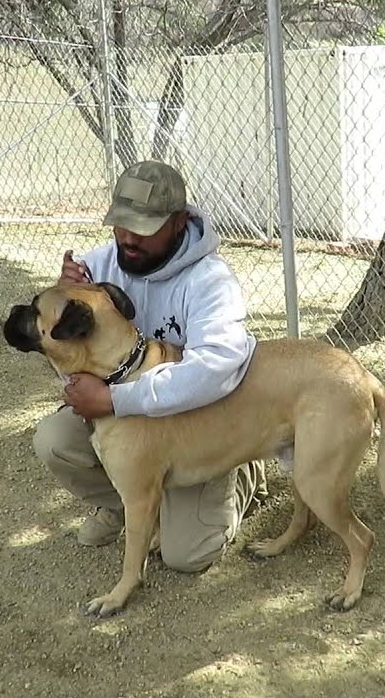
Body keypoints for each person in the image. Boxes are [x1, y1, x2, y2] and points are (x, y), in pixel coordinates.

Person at [32, 159, 268, 573]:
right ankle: (129, 504)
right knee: (55, 440)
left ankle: (245, 469)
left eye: (142, 228)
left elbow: (215, 370)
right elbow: (72, 365)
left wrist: (115, 399)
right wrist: (65, 302)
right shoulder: (99, 266)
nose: (127, 238)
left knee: (185, 556)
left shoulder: (211, 281)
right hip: (132, 424)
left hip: (198, 427)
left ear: (178, 223)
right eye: (120, 224)